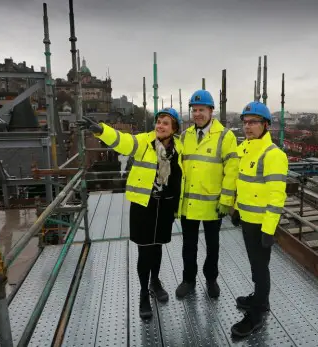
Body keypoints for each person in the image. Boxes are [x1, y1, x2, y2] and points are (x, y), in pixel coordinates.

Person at [78, 108, 184, 319]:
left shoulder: (179, 147)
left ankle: (155, 282)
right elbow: (122, 141)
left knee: (157, 247)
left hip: (165, 206)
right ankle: (144, 293)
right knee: (145, 251)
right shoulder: (144, 141)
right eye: (158, 122)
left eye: (165, 123)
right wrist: (102, 130)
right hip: (144, 205)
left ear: (174, 129)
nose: (160, 126)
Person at [230, 101, 288, 337]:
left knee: (261, 268)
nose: (248, 127)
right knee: (255, 266)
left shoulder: (273, 155)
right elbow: (242, 183)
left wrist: (269, 229)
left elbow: (277, 196)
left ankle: (257, 313)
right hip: (247, 219)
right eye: (245, 122)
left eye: (253, 122)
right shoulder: (245, 149)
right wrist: (236, 210)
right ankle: (259, 298)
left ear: (266, 125)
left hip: (261, 223)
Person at [175, 90, 239, 299]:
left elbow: (232, 170)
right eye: (194, 110)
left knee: (213, 247)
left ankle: (211, 280)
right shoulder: (186, 136)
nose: (197, 114)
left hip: (213, 204)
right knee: (188, 246)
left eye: (202, 109)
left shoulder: (225, 136)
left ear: (211, 110)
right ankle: (188, 280)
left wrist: (226, 200)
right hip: (189, 204)